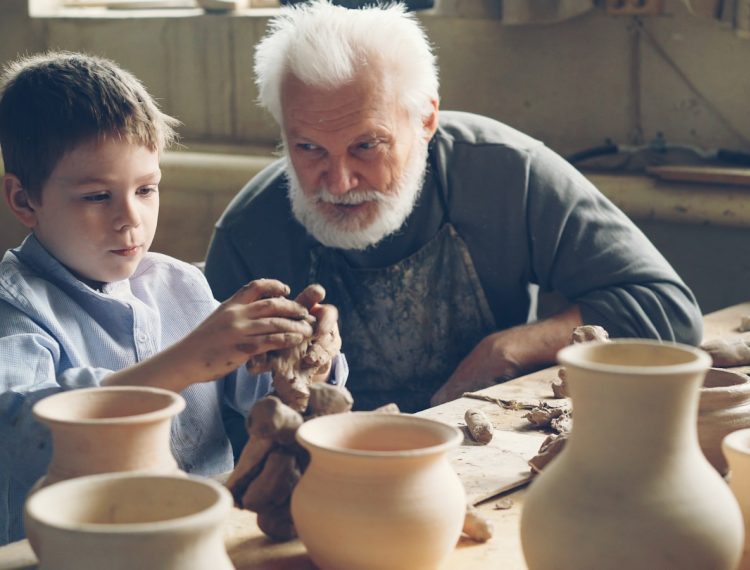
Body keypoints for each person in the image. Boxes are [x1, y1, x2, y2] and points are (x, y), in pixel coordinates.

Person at [205, 0, 704, 413]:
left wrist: (508, 348)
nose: (338, 182)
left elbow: (667, 309)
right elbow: (214, 419)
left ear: (425, 120)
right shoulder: (249, 233)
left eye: (367, 146)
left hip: (490, 444)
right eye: (309, 148)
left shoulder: (505, 172)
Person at [0, 51, 345, 544]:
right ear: (23, 200)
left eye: (146, 189)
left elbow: (263, 402)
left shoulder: (179, 284)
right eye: (98, 196)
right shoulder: (15, 307)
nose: (130, 219)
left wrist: (298, 353)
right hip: (80, 549)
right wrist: (185, 363)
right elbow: (16, 433)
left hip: (206, 537)